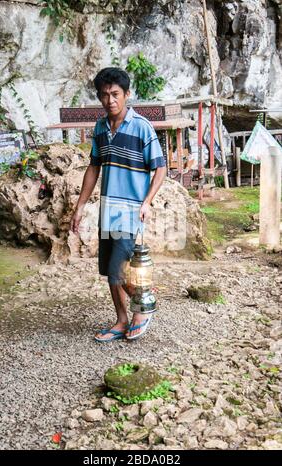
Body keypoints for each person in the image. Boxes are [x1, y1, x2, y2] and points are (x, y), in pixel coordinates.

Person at [70, 67, 166, 342]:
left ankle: (142, 309)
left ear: (127, 94)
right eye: (104, 95)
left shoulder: (141, 127)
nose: (110, 100)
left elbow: (160, 169)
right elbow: (93, 167)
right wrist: (80, 207)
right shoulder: (100, 127)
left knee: (116, 270)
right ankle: (124, 318)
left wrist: (147, 202)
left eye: (115, 94)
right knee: (109, 271)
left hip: (130, 211)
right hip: (107, 211)